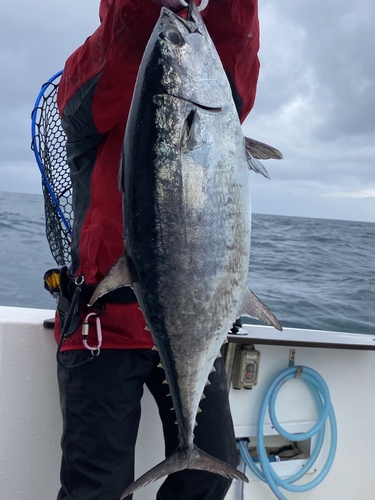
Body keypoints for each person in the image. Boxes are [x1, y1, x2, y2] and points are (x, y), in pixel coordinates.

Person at [55, 0, 260, 499]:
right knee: (94, 489)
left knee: (210, 474)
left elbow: (232, 56)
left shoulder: (208, 81)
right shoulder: (90, 75)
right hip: (102, 324)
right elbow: (125, 46)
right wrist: (158, 9)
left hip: (193, 320)